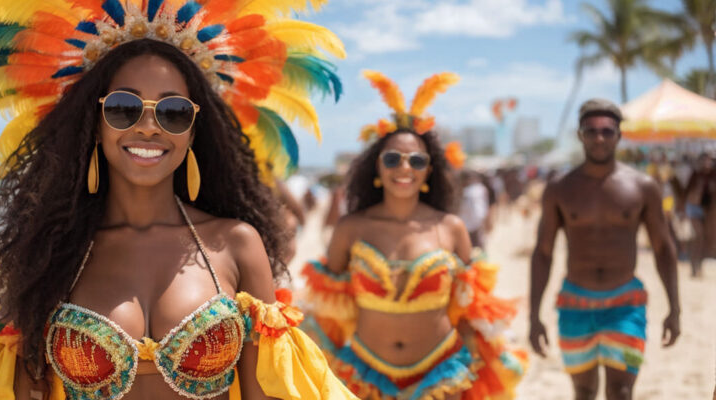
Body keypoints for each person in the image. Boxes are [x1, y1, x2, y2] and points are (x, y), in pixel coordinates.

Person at [0, 1, 356, 399]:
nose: (149, 127)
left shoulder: (237, 244)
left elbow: (268, 391)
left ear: (192, 131)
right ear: (95, 123)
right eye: (124, 108)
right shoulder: (49, 255)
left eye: (173, 112)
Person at [301, 70, 526, 399]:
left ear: (429, 171)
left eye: (416, 160)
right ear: (377, 167)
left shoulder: (451, 228)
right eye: (392, 158)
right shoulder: (351, 228)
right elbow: (329, 311)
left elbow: (471, 308)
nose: (404, 168)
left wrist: (483, 360)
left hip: (441, 372)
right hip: (364, 373)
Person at [529, 99, 680, 400]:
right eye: (591, 130)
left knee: (622, 392)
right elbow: (543, 252)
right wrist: (533, 316)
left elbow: (664, 247)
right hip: (573, 305)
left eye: (607, 131)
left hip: (628, 306)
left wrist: (674, 309)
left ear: (619, 135)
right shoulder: (560, 188)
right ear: (580, 135)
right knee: (583, 392)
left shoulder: (643, 186)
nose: (599, 138)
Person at [684, 153, 715, 277]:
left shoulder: (713, 175)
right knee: (698, 236)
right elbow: (686, 191)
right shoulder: (696, 175)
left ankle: (698, 265)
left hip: (709, 211)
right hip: (695, 208)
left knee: (705, 240)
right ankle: (694, 265)